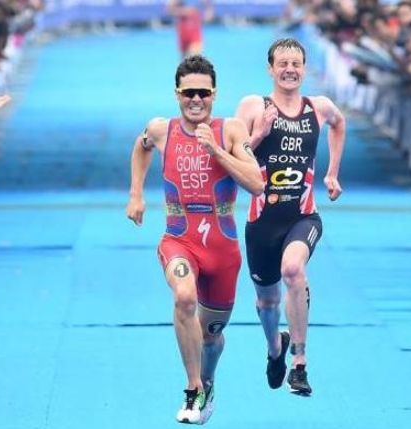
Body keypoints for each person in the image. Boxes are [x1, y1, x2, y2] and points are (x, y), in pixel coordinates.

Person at [126, 54, 264, 424]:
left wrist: (216, 151)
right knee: (184, 297)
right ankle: (192, 390)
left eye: (203, 92)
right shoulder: (161, 129)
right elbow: (141, 147)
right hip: (179, 239)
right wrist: (136, 194)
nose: (196, 100)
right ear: (177, 94)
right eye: (189, 93)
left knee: (212, 337)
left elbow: (256, 184)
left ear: (214, 94)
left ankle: (208, 381)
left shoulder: (230, 130)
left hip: (223, 249)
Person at [235, 38, 346, 396]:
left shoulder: (319, 107)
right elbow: (233, 155)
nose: (289, 70)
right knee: (267, 303)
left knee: (294, 271)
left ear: (305, 67)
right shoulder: (253, 105)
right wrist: (259, 134)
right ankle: (275, 349)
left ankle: (300, 364)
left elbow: (339, 124)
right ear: (270, 69)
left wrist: (332, 173)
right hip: (261, 223)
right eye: (282, 63)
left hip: (303, 217)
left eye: (296, 63)